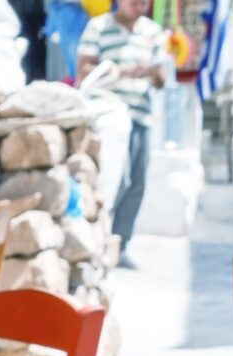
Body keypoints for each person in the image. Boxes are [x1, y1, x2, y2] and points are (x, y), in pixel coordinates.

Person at [77, 0, 167, 264]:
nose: (140, 5)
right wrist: (122, 72)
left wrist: (153, 71)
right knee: (116, 180)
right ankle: (99, 241)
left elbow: (161, 80)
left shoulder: (152, 32)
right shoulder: (98, 28)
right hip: (109, 118)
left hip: (140, 117)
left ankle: (120, 245)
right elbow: (83, 71)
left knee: (136, 182)